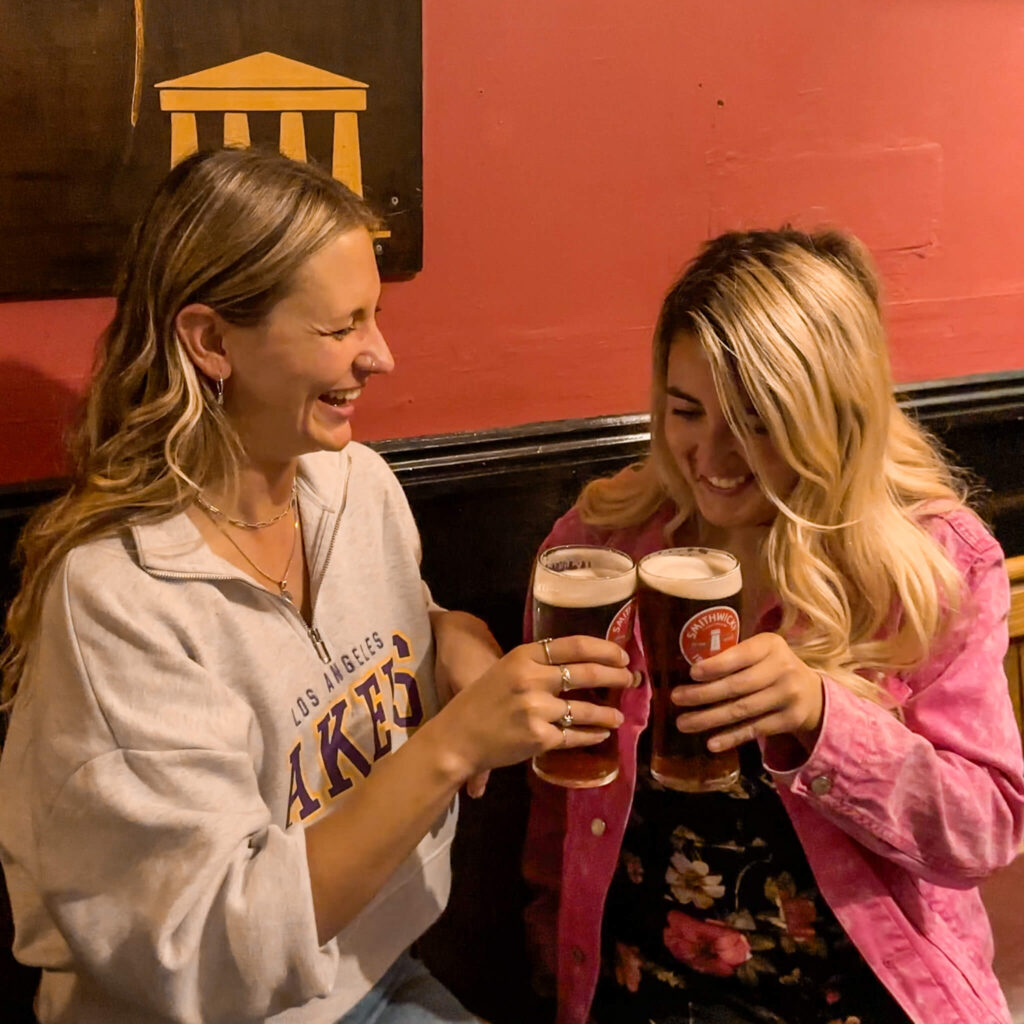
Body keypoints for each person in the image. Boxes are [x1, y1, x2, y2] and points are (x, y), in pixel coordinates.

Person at [0, 147, 634, 1024]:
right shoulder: (120, 597)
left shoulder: (353, 485)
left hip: (374, 971)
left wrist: (447, 630)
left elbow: (341, 649)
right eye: (342, 328)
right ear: (212, 340)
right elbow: (214, 957)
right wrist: (450, 747)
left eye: (374, 316)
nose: (382, 355)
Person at [522, 227, 1024, 1024]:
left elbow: (985, 832)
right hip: (639, 989)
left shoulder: (933, 565)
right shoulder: (599, 548)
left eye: (756, 422)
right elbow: (558, 810)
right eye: (686, 411)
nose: (712, 455)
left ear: (831, 418)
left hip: (861, 992)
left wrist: (826, 718)